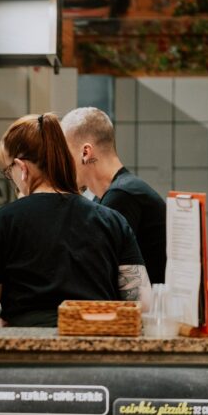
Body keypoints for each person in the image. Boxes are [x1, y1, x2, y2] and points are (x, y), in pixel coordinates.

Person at [0, 113, 151, 328]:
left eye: (8, 172)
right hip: (95, 342)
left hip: (28, 345)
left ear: (22, 168)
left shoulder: (3, 221)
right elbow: (143, 306)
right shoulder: (112, 220)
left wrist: (0, 311)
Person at [60, 107, 167, 284]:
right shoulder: (114, 193)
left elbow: (96, 271)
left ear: (85, 153)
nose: (61, 164)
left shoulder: (122, 196)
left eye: (65, 155)